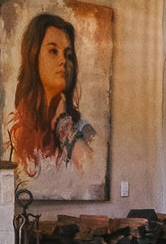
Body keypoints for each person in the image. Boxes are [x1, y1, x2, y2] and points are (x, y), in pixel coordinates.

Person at [6, 10, 98, 176]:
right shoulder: (15, 127)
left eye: (69, 55)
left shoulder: (84, 130)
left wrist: (63, 124)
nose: (64, 61)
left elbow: (94, 176)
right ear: (34, 57)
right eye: (53, 51)